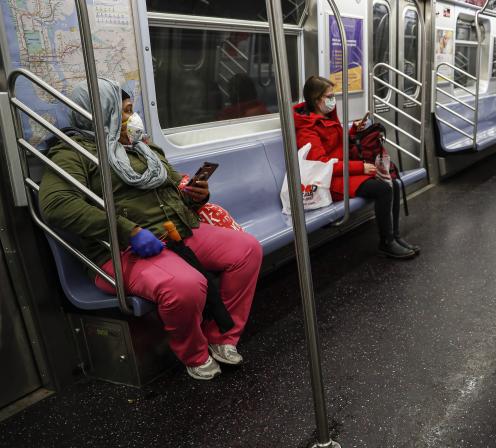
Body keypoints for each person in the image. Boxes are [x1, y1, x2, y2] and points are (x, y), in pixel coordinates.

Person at [39, 79, 262, 380]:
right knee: (185, 285)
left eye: (133, 110)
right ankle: (193, 353)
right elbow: (57, 205)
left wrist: (195, 197)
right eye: (126, 112)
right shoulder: (75, 154)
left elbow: (172, 189)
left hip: (175, 230)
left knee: (246, 250)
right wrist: (127, 230)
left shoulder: (144, 146)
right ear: (102, 114)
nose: (133, 118)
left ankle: (221, 337)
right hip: (122, 248)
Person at [293, 75, 419, 259]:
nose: (332, 100)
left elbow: (338, 145)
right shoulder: (307, 129)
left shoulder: (327, 118)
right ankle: (386, 242)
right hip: (327, 181)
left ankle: (395, 237)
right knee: (383, 189)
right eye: (329, 97)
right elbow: (321, 165)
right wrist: (361, 167)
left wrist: (354, 131)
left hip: (342, 172)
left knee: (395, 183)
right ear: (316, 99)